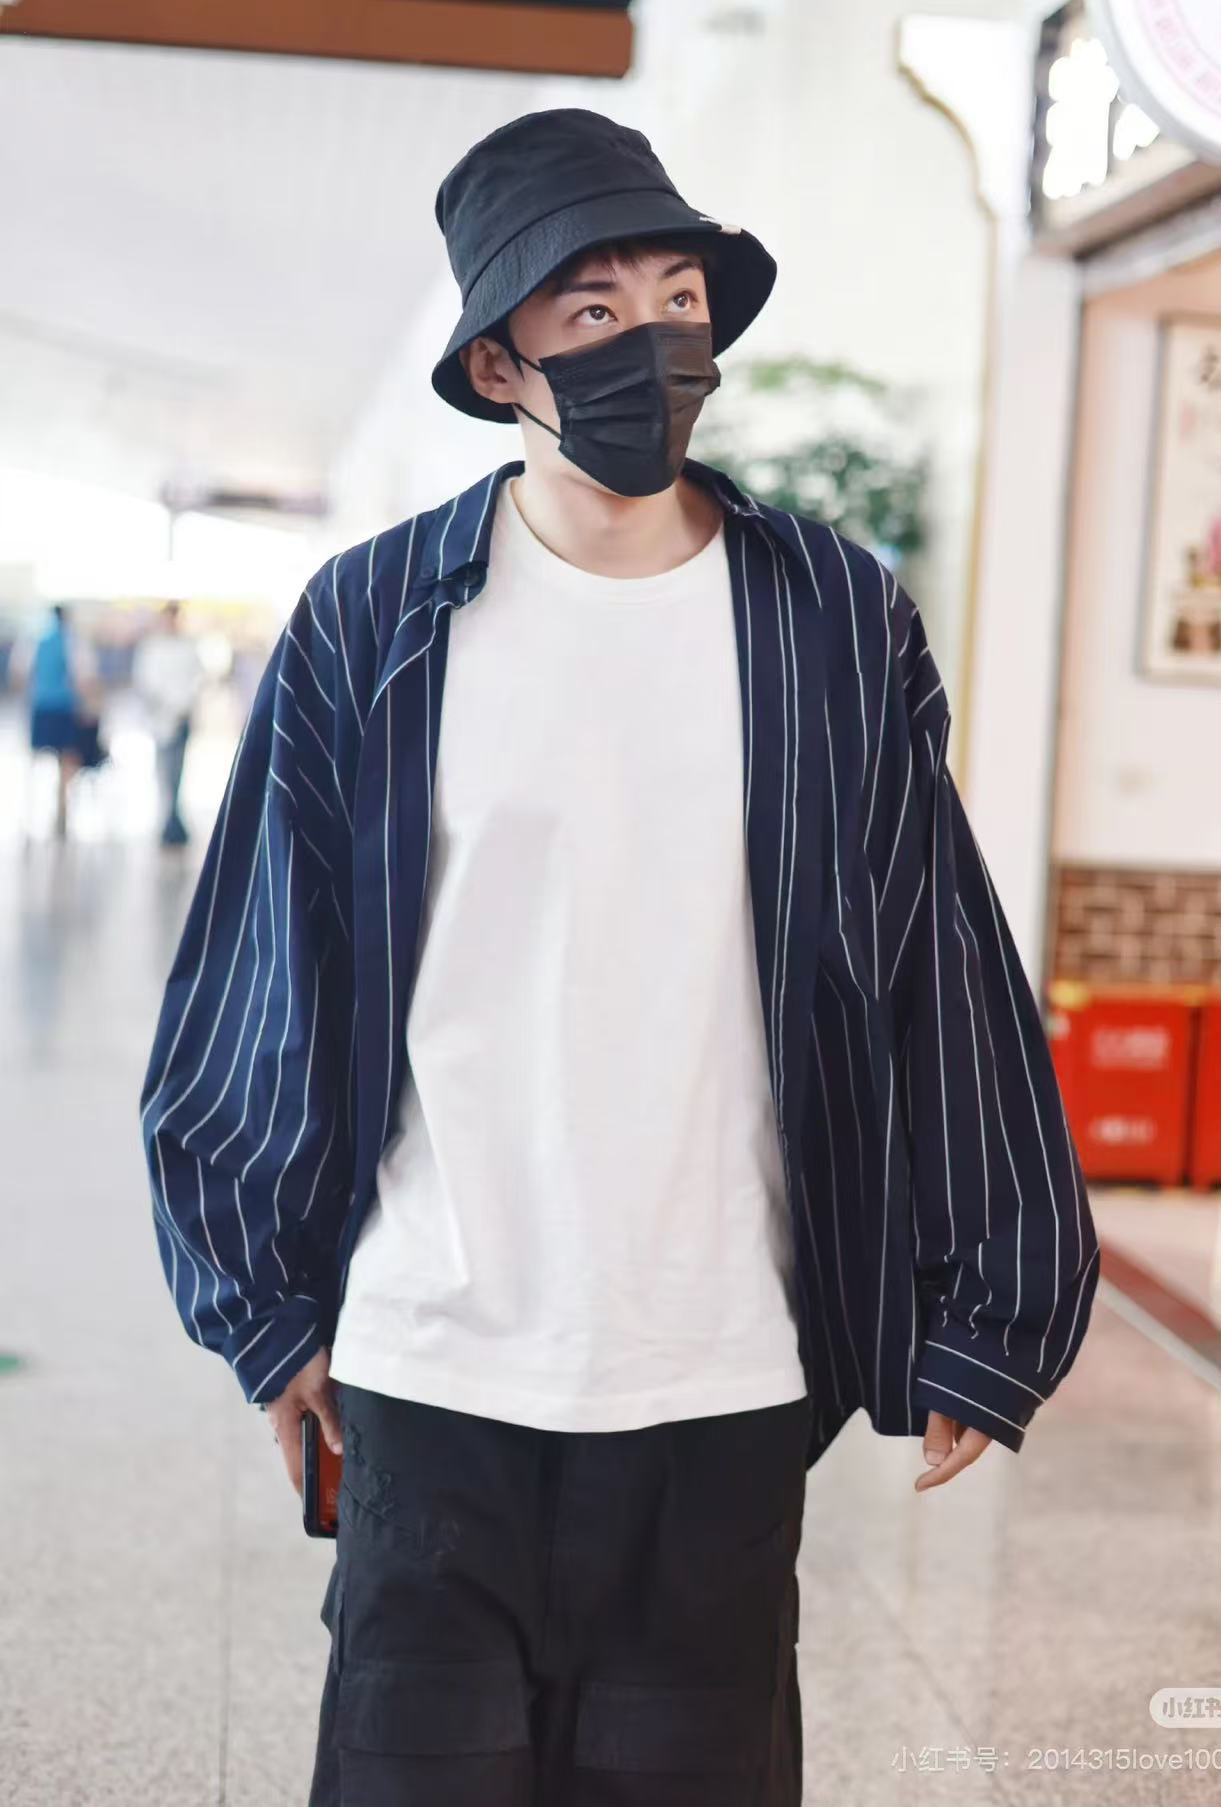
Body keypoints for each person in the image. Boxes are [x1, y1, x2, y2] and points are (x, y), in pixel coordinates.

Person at [139, 109, 1101, 1805]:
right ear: (497, 363)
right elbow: (262, 970)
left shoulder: (829, 616)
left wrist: (993, 1304)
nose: (651, 340)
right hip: (433, 1368)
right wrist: (266, 1310)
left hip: (722, 1370)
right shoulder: (374, 621)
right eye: (592, 309)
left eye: (678, 297)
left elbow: (939, 956)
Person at [16, 602, 104, 838]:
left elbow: (20, 675)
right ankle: (61, 812)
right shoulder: (73, 642)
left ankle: (31, 812)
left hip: (42, 707)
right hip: (65, 708)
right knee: (67, 760)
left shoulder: (35, 641)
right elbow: (84, 678)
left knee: (36, 760)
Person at [133, 599, 203, 845]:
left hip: (182, 717)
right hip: (161, 718)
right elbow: (146, 682)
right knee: (164, 770)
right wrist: (165, 705)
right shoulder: (152, 648)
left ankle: (174, 819)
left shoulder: (188, 647)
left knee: (178, 769)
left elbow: (196, 681)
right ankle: (169, 818)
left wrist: (183, 705)